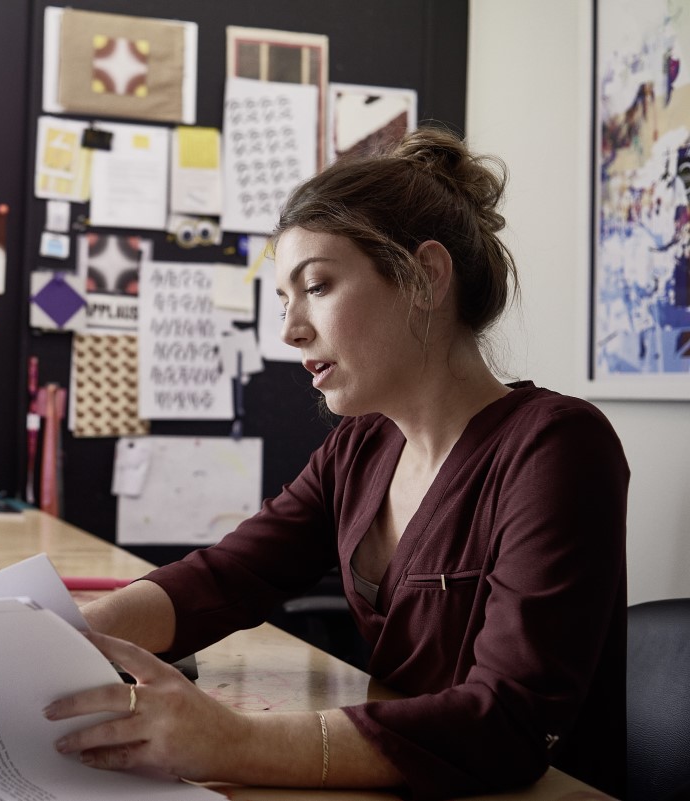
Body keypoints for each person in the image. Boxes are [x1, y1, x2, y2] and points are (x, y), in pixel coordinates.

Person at [43, 126, 628, 800]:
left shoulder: (555, 446)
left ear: (425, 278)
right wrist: (61, 640)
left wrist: (233, 741)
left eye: (315, 286)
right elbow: (229, 575)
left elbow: (507, 722)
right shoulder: (362, 446)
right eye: (284, 301)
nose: (291, 330)